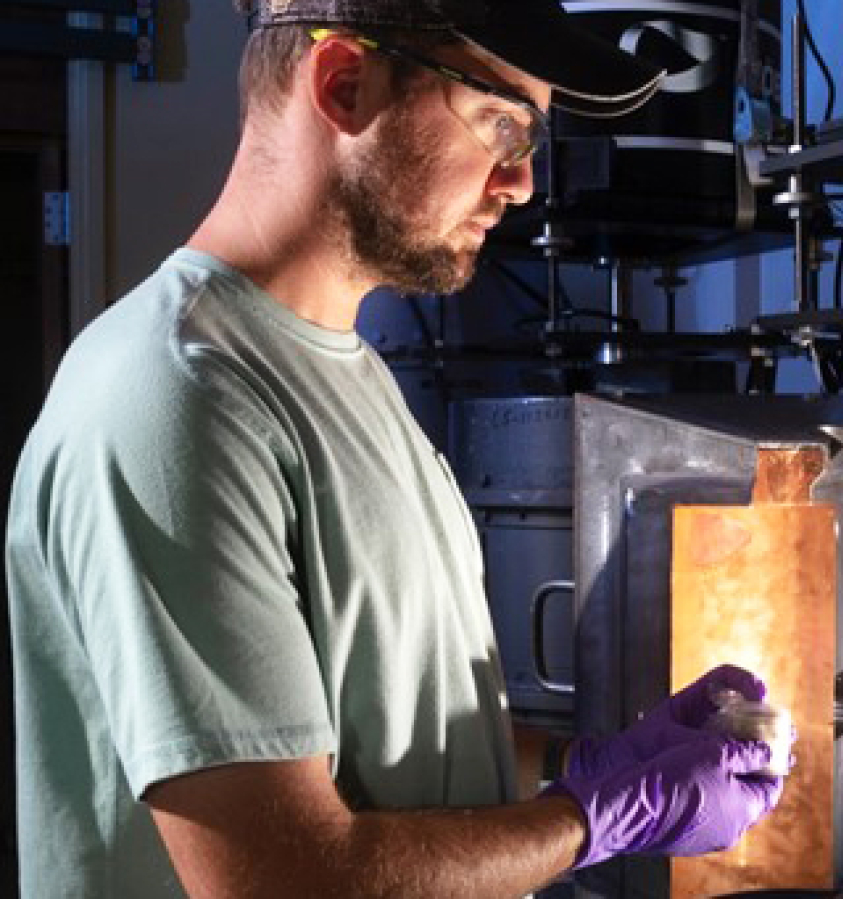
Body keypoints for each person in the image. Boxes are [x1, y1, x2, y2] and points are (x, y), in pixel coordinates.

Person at [4, 2, 787, 896]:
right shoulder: (173, 395)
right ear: (344, 84)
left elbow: (395, 746)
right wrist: (593, 816)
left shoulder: (357, 380)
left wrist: (597, 761)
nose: (523, 181)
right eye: (501, 121)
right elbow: (287, 877)